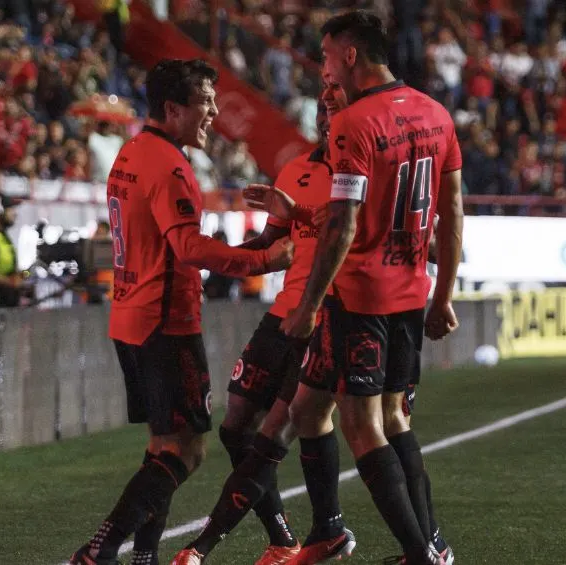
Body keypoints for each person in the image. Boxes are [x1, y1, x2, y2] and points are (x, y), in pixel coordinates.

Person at [67, 59, 293, 565]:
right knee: (187, 451)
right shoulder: (170, 165)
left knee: (162, 447)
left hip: (131, 317)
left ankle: (145, 557)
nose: (213, 113)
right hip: (165, 322)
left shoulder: (131, 153)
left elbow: (170, 247)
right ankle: (100, 549)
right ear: (173, 109)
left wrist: (262, 242)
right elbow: (189, 248)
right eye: (205, 103)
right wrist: (264, 261)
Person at [281, 11, 463, 565]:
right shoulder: (436, 115)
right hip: (410, 292)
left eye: (326, 55)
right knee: (355, 414)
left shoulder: (353, 123)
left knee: (362, 425)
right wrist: (443, 295)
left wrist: (308, 304)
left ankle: (419, 553)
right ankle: (406, 543)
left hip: (361, 296)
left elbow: (343, 224)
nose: (324, 67)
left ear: (350, 55)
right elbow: (453, 211)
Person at [170, 98, 341, 565]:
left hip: (327, 318)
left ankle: (200, 548)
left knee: (273, 434)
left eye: (337, 109)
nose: (328, 119)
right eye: (323, 110)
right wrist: (222, 260)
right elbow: (272, 243)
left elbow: (347, 234)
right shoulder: (296, 170)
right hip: (282, 315)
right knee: (234, 426)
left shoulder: (362, 174)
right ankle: (283, 539)